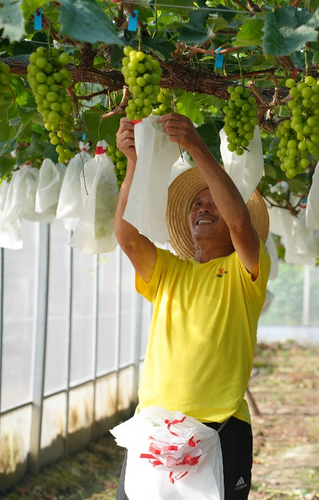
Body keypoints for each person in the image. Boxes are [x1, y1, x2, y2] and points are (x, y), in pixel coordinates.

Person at [113, 112, 271, 500]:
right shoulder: (169, 272)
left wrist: (197, 147)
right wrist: (133, 163)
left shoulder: (244, 269)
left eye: (213, 202)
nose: (205, 208)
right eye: (197, 203)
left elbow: (239, 226)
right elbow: (128, 237)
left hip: (219, 428)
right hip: (154, 428)